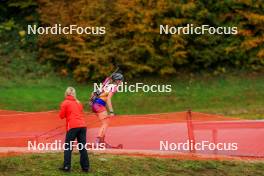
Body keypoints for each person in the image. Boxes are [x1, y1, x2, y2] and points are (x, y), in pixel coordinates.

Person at [59, 87, 89, 173]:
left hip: (72, 126)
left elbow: (61, 116)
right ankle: (85, 168)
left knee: (68, 147)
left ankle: (66, 166)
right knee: (82, 147)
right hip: (83, 126)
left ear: (66, 93)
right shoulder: (78, 102)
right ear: (74, 94)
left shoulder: (65, 103)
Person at [90, 72, 124, 145]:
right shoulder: (114, 87)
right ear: (117, 80)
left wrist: (91, 100)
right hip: (99, 105)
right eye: (121, 80)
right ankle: (98, 141)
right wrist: (111, 112)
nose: (122, 82)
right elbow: (108, 99)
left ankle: (101, 141)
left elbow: (93, 93)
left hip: (94, 104)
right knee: (105, 123)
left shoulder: (106, 84)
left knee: (105, 122)